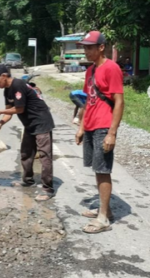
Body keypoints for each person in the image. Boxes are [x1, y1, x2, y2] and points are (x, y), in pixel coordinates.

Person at [75, 31, 124, 234]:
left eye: (89, 47)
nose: (86, 51)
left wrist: (112, 132)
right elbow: (87, 101)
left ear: (101, 47)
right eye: (84, 47)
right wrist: (81, 127)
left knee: (103, 170)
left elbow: (119, 101)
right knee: (97, 168)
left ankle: (103, 218)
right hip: (91, 125)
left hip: (104, 126)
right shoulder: (90, 71)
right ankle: (107, 210)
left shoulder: (112, 68)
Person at [0, 64, 55, 201]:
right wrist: (0, 124)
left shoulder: (18, 84)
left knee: (44, 155)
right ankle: (28, 180)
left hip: (41, 122)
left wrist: (0, 111)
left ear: (3, 76)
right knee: (26, 153)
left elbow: (19, 109)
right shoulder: (6, 91)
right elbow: (10, 112)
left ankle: (48, 189)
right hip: (30, 124)